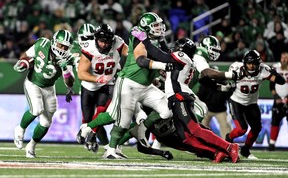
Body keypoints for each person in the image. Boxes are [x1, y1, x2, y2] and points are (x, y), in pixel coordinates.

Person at [137, 37, 240, 163]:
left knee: (194, 129)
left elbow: (160, 55)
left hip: (180, 96)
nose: (173, 50)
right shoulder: (187, 60)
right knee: (186, 137)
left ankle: (229, 147)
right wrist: (162, 41)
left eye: (176, 47)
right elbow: (166, 53)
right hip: (177, 97)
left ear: (181, 50)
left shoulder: (181, 57)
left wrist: (145, 41)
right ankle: (217, 151)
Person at [102, 12, 176, 159]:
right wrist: (163, 65)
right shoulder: (138, 37)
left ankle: (140, 129)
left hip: (146, 86)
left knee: (167, 110)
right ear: (146, 28)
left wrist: (162, 48)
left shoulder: (155, 39)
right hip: (129, 83)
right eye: (155, 25)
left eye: (159, 25)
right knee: (123, 120)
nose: (159, 28)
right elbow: (141, 61)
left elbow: (167, 55)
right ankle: (110, 150)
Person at [13, 29, 76, 158]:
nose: (62, 49)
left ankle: (31, 146)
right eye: (60, 45)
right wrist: (22, 63)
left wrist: (65, 68)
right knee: (36, 109)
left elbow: (69, 83)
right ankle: (20, 129)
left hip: (49, 88)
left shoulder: (68, 58)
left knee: (46, 122)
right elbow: (25, 56)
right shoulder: (41, 44)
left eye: (65, 47)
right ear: (54, 42)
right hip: (33, 83)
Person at [77, 23, 128, 153]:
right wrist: (97, 79)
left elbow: (133, 54)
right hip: (89, 86)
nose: (104, 44)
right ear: (95, 40)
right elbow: (81, 73)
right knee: (88, 119)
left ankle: (92, 135)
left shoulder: (118, 43)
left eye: (107, 41)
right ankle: (93, 138)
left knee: (100, 112)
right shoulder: (89, 48)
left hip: (107, 84)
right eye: (101, 41)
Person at [225, 50, 285, 159]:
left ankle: (245, 150)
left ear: (259, 63)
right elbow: (224, 79)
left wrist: (274, 73)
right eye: (249, 63)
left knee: (256, 128)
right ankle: (227, 141)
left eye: (254, 63)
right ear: (244, 63)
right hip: (236, 101)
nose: (252, 66)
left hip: (251, 103)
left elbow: (281, 81)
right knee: (241, 129)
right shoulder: (236, 68)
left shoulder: (263, 71)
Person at [190, 35, 238, 122]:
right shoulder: (199, 54)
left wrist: (224, 88)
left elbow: (208, 83)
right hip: (179, 88)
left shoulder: (200, 60)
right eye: (213, 49)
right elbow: (208, 73)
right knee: (201, 110)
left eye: (216, 50)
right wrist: (231, 75)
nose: (215, 53)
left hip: (182, 88)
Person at [198, 66, 233, 139]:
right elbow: (199, 96)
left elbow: (229, 96)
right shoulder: (205, 85)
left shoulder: (223, 83)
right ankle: (202, 143)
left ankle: (228, 143)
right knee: (201, 127)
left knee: (225, 127)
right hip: (207, 109)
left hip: (220, 110)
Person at [268, 52, 288, 151]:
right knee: (275, 121)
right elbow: (271, 85)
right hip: (278, 100)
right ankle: (271, 145)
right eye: (282, 57)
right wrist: (276, 97)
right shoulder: (276, 69)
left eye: (286, 57)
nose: (284, 59)